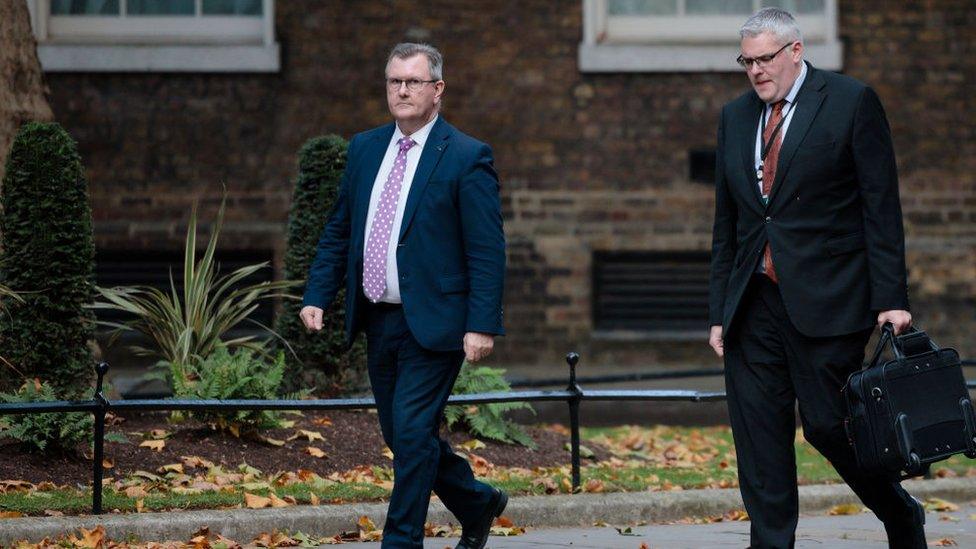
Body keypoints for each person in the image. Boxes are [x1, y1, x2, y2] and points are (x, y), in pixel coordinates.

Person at [707, 8, 923, 549]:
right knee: (759, 439)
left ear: (796, 51)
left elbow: (880, 206)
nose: (756, 71)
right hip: (752, 304)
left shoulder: (850, 101)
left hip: (830, 301)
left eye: (765, 59)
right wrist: (718, 310)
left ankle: (898, 509)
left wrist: (891, 297)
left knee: (829, 426)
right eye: (746, 61)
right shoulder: (735, 117)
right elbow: (727, 224)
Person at [300, 43, 507, 549]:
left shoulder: (465, 155)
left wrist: (482, 323)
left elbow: (487, 248)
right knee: (403, 436)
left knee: (413, 433)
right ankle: (476, 502)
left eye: (413, 81)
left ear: (437, 90)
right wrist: (318, 295)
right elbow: (340, 228)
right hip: (378, 318)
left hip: (436, 322)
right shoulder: (366, 147)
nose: (402, 90)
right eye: (395, 81)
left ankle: (401, 541)